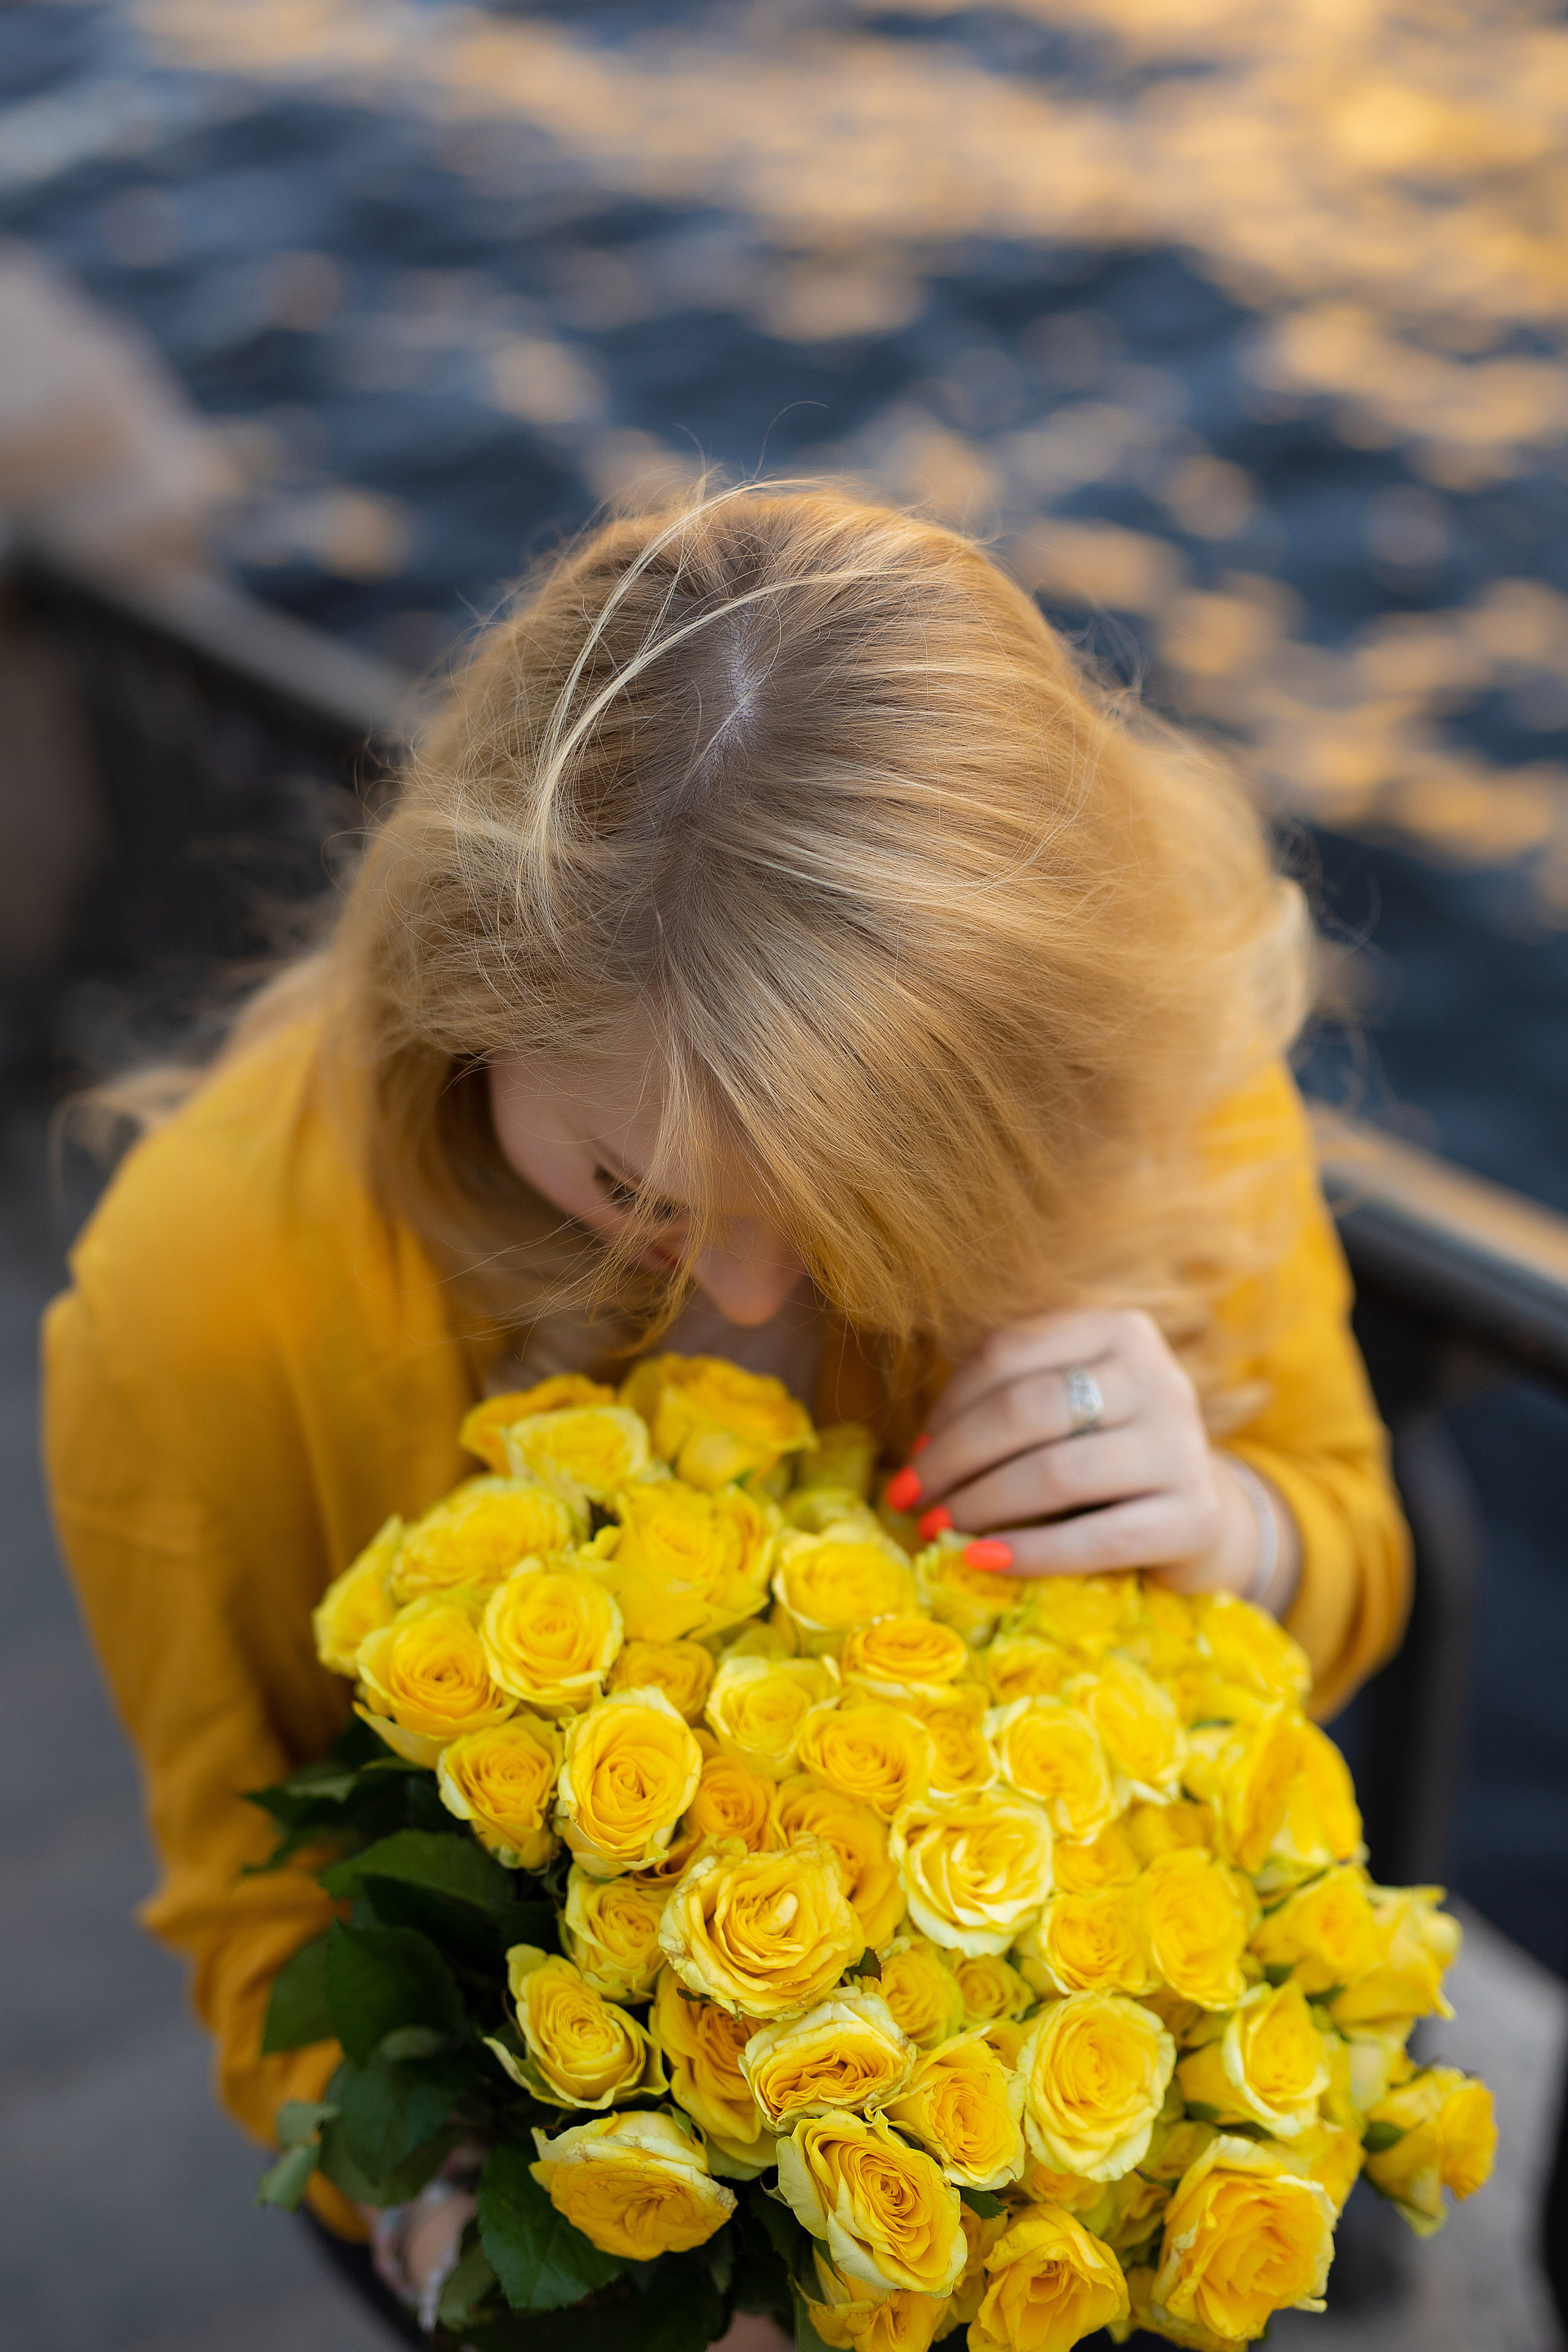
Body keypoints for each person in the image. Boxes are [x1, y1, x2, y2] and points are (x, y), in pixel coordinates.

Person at [42, 483, 1409, 2329]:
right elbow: (257, 1919)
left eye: (863, 1212)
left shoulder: (1127, 1070)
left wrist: (1231, 1527)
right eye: (635, 1191)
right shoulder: (197, 1307)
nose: (749, 1294)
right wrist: (505, 2268)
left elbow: (1351, 1551)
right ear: (465, 1002)